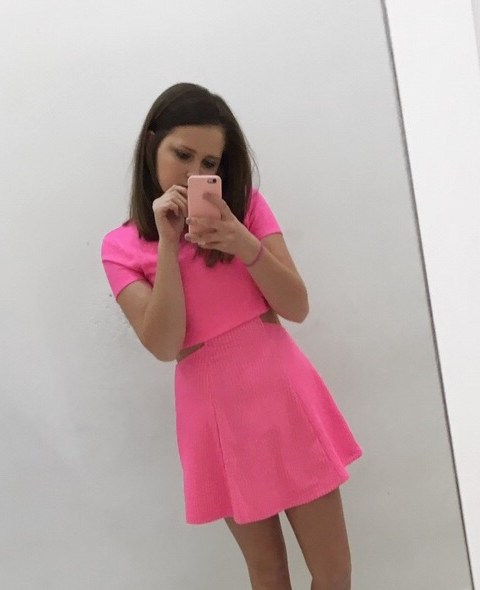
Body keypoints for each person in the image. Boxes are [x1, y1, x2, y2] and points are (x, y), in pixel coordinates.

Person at [101, 82, 362, 590]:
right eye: (182, 154)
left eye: (209, 162)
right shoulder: (121, 247)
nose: (194, 172)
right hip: (213, 414)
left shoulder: (247, 207)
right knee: (268, 573)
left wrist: (243, 241)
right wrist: (169, 244)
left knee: (333, 570)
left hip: (283, 395)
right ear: (152, 143)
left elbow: (297, 307)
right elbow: (164, 345)